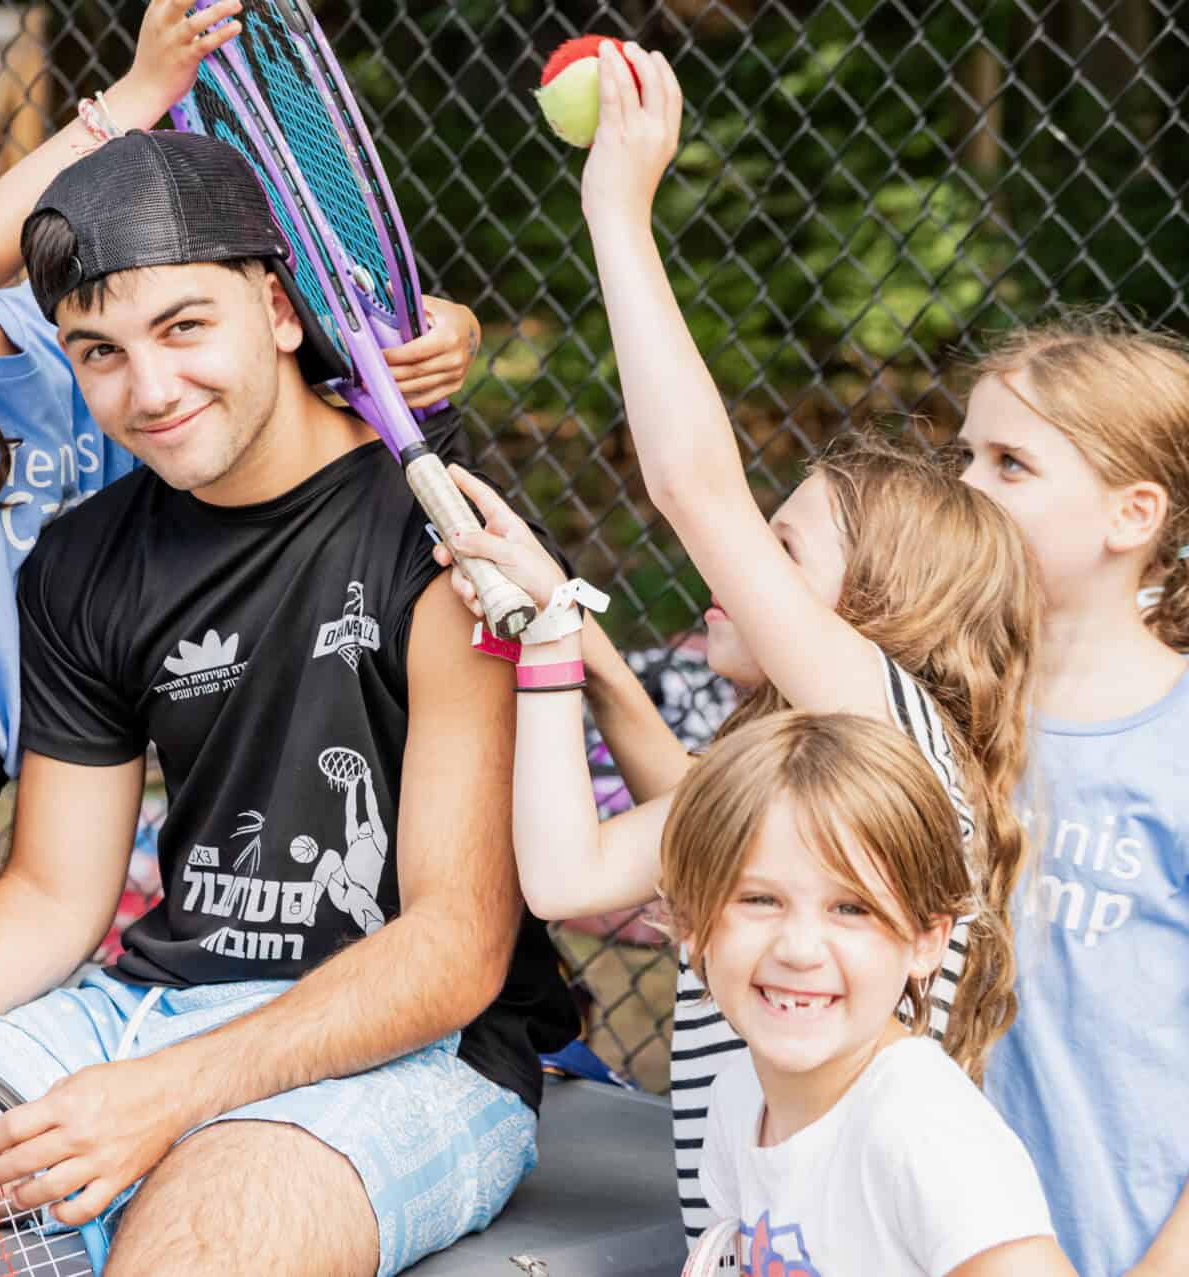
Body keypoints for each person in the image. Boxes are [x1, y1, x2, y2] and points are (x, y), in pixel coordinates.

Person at [0, 130, 579, 1277]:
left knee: (186, 1254)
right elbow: (49, 892)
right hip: (149, 1006)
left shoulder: (442, 526)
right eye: (98, 350)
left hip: (413, 1047)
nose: (149, 389)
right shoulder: (85, 561)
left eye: (186, 326)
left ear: (281, 312)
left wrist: (164, 1096)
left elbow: (453, 946)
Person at [429, 40, 1040, 1240]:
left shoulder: (902, 740)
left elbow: (693, 486)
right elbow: (570, 871)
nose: (738, 567)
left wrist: (618, 209)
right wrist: (574, 646)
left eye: (781, 552)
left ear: (866, 616)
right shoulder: (815, 779)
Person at [0, 10, 484, 935]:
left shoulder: (74, 335)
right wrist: (140, 95)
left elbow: (255, 335)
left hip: (66, 710)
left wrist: (445, 325)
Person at [669, 712, 1072, 1276]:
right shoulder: (739, 1098)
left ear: (926, 939)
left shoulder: (919, 1127)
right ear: (690, 918)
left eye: (850, 909)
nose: (800, 948)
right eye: (759, 900)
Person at [956, 316, 1189, 1277]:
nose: (966, 485)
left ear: (1131, 515)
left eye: (1011, 463)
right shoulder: (943, 701)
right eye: (963, 452)